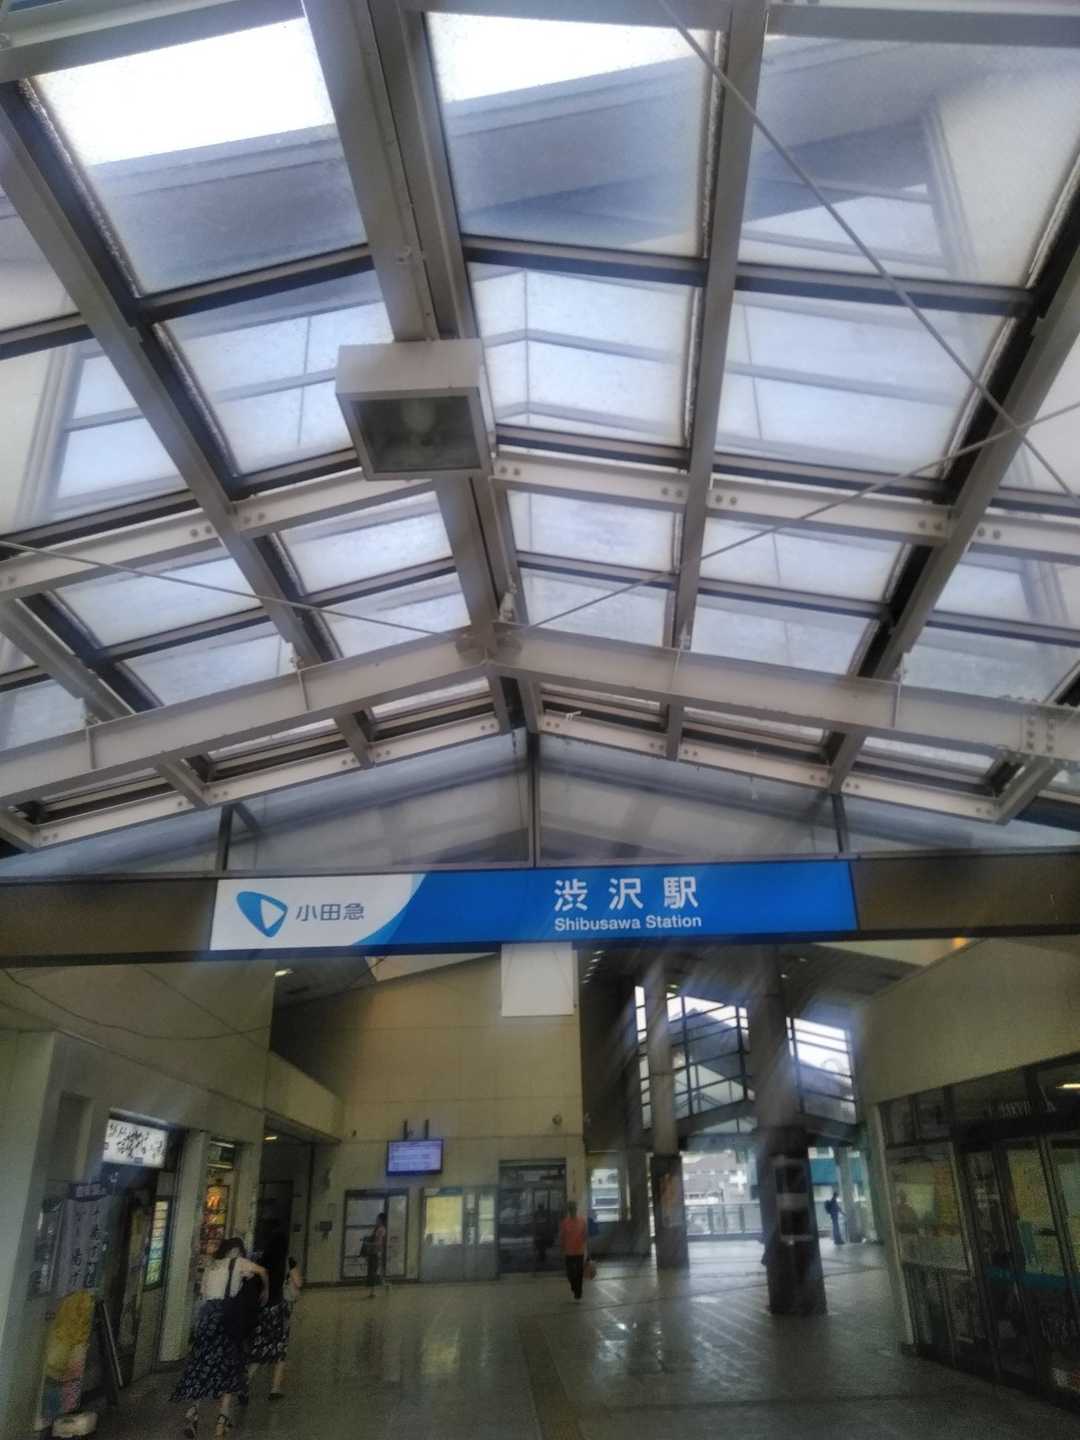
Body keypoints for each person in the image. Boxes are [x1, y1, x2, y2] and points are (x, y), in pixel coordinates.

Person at [172, 1237, 268, 1439]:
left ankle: (194, 1411)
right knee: (229, 1366)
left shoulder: (211, 1266)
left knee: (202, 1364)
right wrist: (264, 1290)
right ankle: (221, 1419)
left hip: (206, 1318)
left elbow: (204, 1293)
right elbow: (262, 1271)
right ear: (237, 1252)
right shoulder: (239, 1262)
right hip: (226, 1319)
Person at [247, 1229, 303, 1402]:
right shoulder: (288, 1260)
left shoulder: (261, 1259)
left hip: (262, 1310)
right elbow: (298, 1282)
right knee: (280, 1349)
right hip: (279, 1310)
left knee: (260, 1349)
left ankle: (244, 1383)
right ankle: (275, 1388)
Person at [559, 1200, 589, 1301]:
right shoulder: (565, 1222)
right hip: (569, 1252)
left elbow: (585, 1236)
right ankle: (574, 1286)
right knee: (570, 1274)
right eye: (571, 1209)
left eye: (574, 1208)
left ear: (576, 1209)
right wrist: (562, 1249)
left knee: (579, 1273)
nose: (573, 1210)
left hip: (579, 1252)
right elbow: (562, 1237)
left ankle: (578, 1292)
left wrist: (586, 1249)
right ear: (569, 1210)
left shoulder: (582, 1221)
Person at [366, 1212, 389, 1297]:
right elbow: (374, 1239)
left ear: (381, 1220)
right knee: (374, 1272)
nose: (376, 1220)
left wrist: (369, 1244)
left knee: (373, 1272)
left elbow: (379, 1243)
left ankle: (373, 1291)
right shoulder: (377, 1228)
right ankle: (384, 1285)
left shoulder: (381, 1229)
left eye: (378, 1219)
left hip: (376, 1253)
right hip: (373, 1252)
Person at [532, 1204, 552, 1274]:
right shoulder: (537, 1215)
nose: (541, 1209)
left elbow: (547, 1224)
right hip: (540, 1233)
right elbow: (535, 1224)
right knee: (540, 1246)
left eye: (541, 1208)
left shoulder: (544, 1215)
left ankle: (542, 1257)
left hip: (543, 1233)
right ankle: (541, 1257)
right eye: (540, 1208)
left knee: (542, 1246)